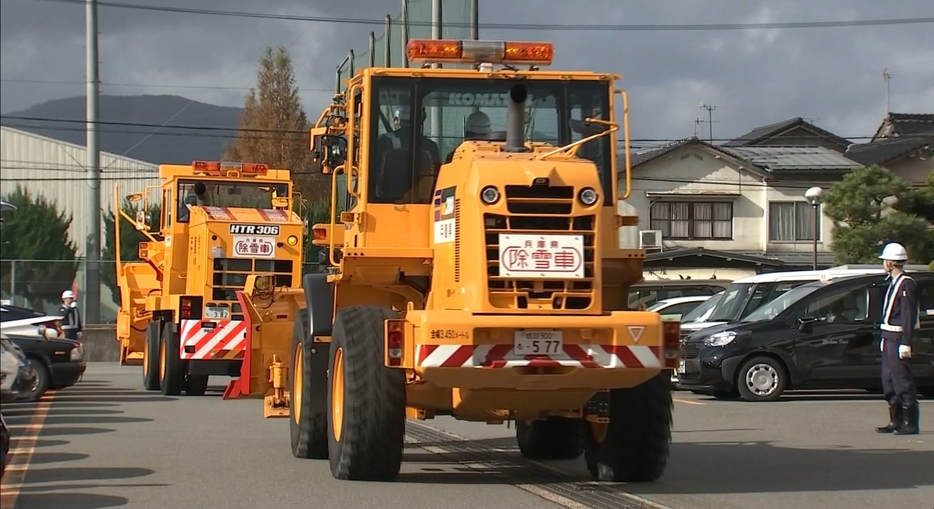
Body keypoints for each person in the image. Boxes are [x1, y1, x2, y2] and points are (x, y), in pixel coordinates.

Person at [875, 242, 920, 435]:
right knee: (889, 380)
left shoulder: (906, 283)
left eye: (885, 260)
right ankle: (896, 419)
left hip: (898, 336)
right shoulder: (893, 282)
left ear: (892, 262)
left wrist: (906, 342)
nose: (884, 263)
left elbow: (908, 315)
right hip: (888, 336)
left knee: (902, 380)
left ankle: (911, 423)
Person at [373, 104, 441, 201]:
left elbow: (373, 175)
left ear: (397, 120)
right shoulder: (430, 147)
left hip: (383, 203)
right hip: (424, 204)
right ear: (421, 119)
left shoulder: (383, 142)